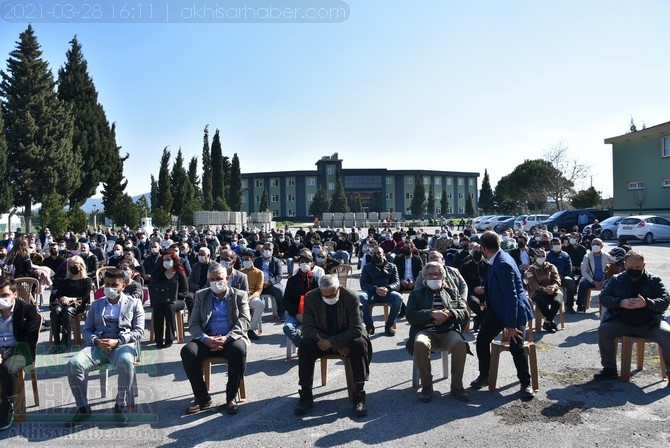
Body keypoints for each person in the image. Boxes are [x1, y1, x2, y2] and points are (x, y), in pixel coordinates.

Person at [66, 269, 145, 427]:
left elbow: (139, 331)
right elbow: (86, 329)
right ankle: (83, 408)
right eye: (107, 284)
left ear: (123, 285)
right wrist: (95, 341)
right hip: (97, 345)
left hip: (121, 345)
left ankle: (119, 406)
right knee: (73, 364)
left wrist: (119, 341)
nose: (110, 288)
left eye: (114, 285)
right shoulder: (96, 304)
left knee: (126, 363)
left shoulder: (134, 303)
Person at [294, 275, 371, 417]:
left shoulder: (351, 297)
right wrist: (331, 343)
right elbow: (308, 328)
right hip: (321, 338)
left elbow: (355, 329)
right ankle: (306, 395)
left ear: (339, 288)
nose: (329, 298)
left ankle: (359, 394)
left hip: (346, 338)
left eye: (332, 295)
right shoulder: (312, 298)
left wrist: (332, 343)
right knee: (305, 345)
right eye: (325, 295)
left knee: (359, 343)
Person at [470, 231, 535, 400]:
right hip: (499, 309)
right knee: (483, 339)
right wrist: (488, 290)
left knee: (516, 345)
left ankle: (525, 383)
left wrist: (511, 326)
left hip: (514, 310)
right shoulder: (499, 256)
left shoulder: (503, 263)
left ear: (483, 248)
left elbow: (511, 296)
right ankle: (485, 375)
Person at [180, 263, 250, 415]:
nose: (215, 282)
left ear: (227, 278)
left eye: (219, 279)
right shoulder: (201, 295)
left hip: (231, 339)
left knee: (239, 350)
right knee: (187, 351)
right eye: (212, 279)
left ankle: (230, 397)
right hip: (207, 339)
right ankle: (202, 397)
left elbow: (244, 320)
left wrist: (227, 338)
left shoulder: (239, 295)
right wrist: (205, 339)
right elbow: (193, 324)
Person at [594, 250, 670, 383]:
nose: (634, 270)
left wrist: (647, 303)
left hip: (651, 323)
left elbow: (665, 300)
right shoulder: (616, 279)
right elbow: (603, 297)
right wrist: (620, 302)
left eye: (638, 267)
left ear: (644, 265)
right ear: (625, 265)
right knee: (604, 330)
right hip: (622, 322)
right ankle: (609, 369)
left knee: (667, 334)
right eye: (631, 267)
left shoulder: (654, 280)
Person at [406, 262, 471, 403]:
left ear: (443, 277)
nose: (433, 277)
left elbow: (465, 313)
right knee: (420, 343)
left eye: (437, 274)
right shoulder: (417, 294)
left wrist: (450, 313)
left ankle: (457, 386)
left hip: (447, 331)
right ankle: (427, 386)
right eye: (430, 274)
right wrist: (431, 314)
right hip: (425, 331)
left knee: (460, 344)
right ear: (424, 277)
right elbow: (410, 316)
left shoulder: (452, 293)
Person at [0, 277, 40, 431]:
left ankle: (7, 408)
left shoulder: (27, 310)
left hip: (20, 351)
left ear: (15, 294)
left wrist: (5, 353)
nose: (1, 299)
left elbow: (29, 340)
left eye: (4, 295)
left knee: (7, 368)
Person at [358, 247, 403, 336]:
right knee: (361, 297)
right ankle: (369, 326)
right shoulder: (367, 267)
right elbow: (363, 284)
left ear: (384, 254)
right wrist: (375, 289)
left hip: (388, 293)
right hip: (372, 293)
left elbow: (397, 283)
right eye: (373, 253)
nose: (376, 255)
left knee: (398, 297)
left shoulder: (392, 266)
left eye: (378, 252)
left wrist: (387, 288)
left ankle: (389, 326)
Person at [50, 256, 92, 351]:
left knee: (67, 311)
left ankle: (64, 341)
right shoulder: (66, 280)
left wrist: (71, 299)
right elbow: (59, 294)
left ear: (81, 266)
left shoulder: (86, 281)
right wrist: (62, 299)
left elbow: (85, 298)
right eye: (70, 265)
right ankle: (56, 340)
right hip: (63, 303)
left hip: (77, 304)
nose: (72, 267)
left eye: (75, 265)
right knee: (55, 310)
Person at [151, 250, 188, 348]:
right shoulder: (159, 274)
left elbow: (185, 291)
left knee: (169, 307)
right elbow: (154, 287)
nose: (166, 262)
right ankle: (158, 339)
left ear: (174, 260)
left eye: (168, 259)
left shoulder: (180, 273)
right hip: (162, 300)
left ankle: (169, 338)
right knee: (158, 307)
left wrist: (174, 297)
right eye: (164, 260)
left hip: (177, 301)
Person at [283, 252, 319, 347]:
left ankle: (311, 348)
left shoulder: (316, 280)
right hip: (295, 314)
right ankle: (303, 346)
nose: (304, 264)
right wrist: (296, 314)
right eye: (302, 261)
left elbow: (320, 300)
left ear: (312, 264)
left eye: (307, 262)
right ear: (298, 263)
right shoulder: (292, 280)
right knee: (287, 327)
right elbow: (286, 300)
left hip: (312, 314)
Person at [525, 249, 561, 333]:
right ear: (535, 257)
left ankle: (547, 322)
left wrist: (554, 287)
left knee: (557, 301)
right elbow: (532, 283)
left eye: (543, 256)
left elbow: (557, 278)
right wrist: (543, 289)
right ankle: (550, 322)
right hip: (537, 291)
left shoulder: (551, 266)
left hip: (553, 290)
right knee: (541, 300)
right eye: (539, 256)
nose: (541, 258)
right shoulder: (530, 269)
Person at [458, 243, 488, 332]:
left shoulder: (486, 265)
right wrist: (473, 288)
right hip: (472, 291)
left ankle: (478, 319)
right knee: (473, 302)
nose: (477, 254)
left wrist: (485, 288)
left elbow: (491, 280)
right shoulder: (465, 266)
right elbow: (462, 282)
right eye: (475, 252)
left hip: (485, 291)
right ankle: (481, 319)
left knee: (492, 302)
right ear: (471, 253)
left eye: (479, 252)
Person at [254, 242, 285, 320]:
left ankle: (281, 313)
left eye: (269, 249)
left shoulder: (276, 261)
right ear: (262, 250)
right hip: (258, 284)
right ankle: (252, 315)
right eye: (265, 249)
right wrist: (259, 283)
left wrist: (269, 282)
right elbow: (252, 273)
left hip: (271, 284)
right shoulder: (256, 261)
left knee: (279, 290)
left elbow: (279, 276)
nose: (267, 251)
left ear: (272, 251)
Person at [238, 250, 265, 340]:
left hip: (252, 296)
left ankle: (250, 329)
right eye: (243, 259)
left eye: (247, 259)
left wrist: (251, 297)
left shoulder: (259, 273)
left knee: (260, 305)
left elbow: (259, 289)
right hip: (241, 297)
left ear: (252, 260)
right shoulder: (240, 272)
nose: (245, 261)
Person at [546, 237, 576, 313]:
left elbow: (569, 269)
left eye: (558, 244)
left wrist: (562, 275)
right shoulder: (546, 255)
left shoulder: (565, 255)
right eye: (554, 244)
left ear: (561, 245)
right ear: (551, 245)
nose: (556, 245)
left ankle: (569, 306)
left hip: (562, 277)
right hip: (550, 279)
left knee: (571, 282)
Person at [576, 238, 606, 312]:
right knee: (583, 283)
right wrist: (593, 282)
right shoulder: (587, 257)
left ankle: (607, 306)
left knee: (611, 285)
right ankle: (580, 305)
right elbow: (584, 272)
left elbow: (611, 271)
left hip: (604, 281)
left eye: (598, 244)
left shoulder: (607, 257)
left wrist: (604, 281)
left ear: (602, 246)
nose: (595, 246)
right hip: (591, 280)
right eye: (593, 244)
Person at [187, 247, 216, 314]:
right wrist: (197, 287)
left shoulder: (215, 266)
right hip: (196, 290)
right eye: (199, 254)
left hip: (210, 289)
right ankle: (193, 317)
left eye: (202, 254)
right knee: (189, 298)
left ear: (208, 255)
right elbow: (191, 280)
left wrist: (203, 289)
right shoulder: (195, 266)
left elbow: (213, 280)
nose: (200, 256)